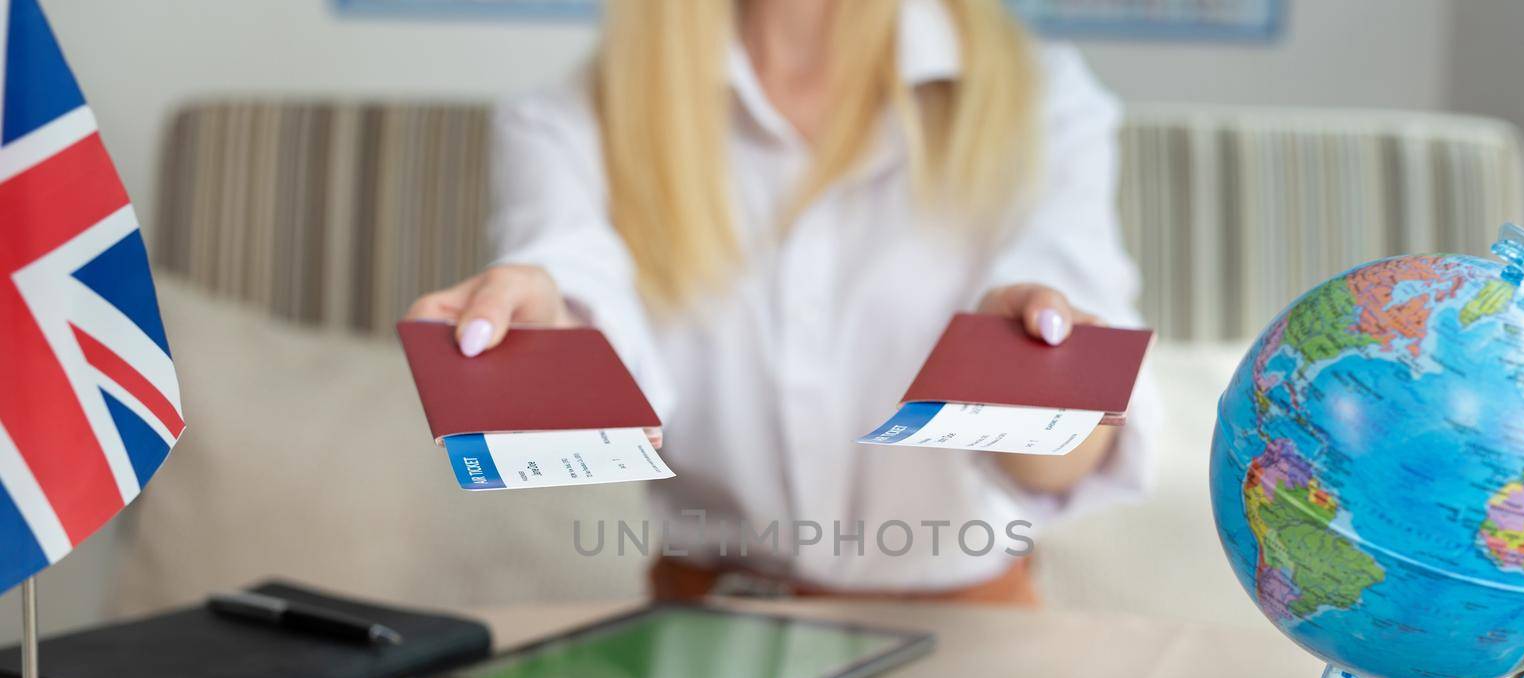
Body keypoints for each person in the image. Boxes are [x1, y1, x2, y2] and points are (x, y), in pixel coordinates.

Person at [407, 0, 1154, 604]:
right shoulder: (567, 120)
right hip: (704, 639)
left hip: (970, 630)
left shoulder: (1042, 99)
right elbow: (580, 291)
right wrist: (544, 341)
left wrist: (1031, 378)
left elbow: (1076, 453)